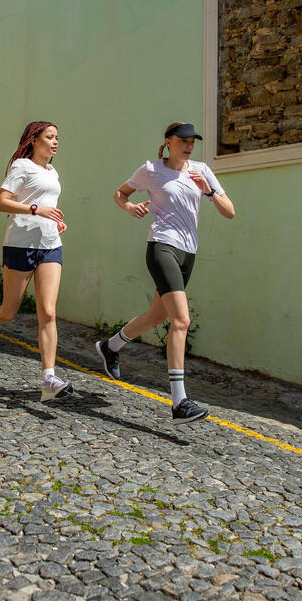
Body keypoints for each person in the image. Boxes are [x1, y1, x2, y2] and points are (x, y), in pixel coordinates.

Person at [96, 122, 235, 425]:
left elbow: (229, 211)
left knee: (156, 316)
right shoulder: (150, 170)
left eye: (192, 142)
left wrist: (208, 191)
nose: (188, 146)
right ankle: (179, 402)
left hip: (188, 253)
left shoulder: (200, 170)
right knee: (181, 320)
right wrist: (130, 207)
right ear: (168, 142)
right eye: (183, 141)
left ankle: (111, 346)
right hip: (162, 247)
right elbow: (120, 193)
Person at [0, 120, 73, 402]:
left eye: (57, 137)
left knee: (48, 312)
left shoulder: (53, 171)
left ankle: (49, 378)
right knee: (9, 311)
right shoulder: (21, 166)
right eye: (50, 137)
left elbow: (48, 205)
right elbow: (0, 202)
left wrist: (54, 221)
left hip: (50, 246)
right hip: (19, 245)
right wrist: (36, 210)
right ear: (34, 140)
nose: (55, 142)